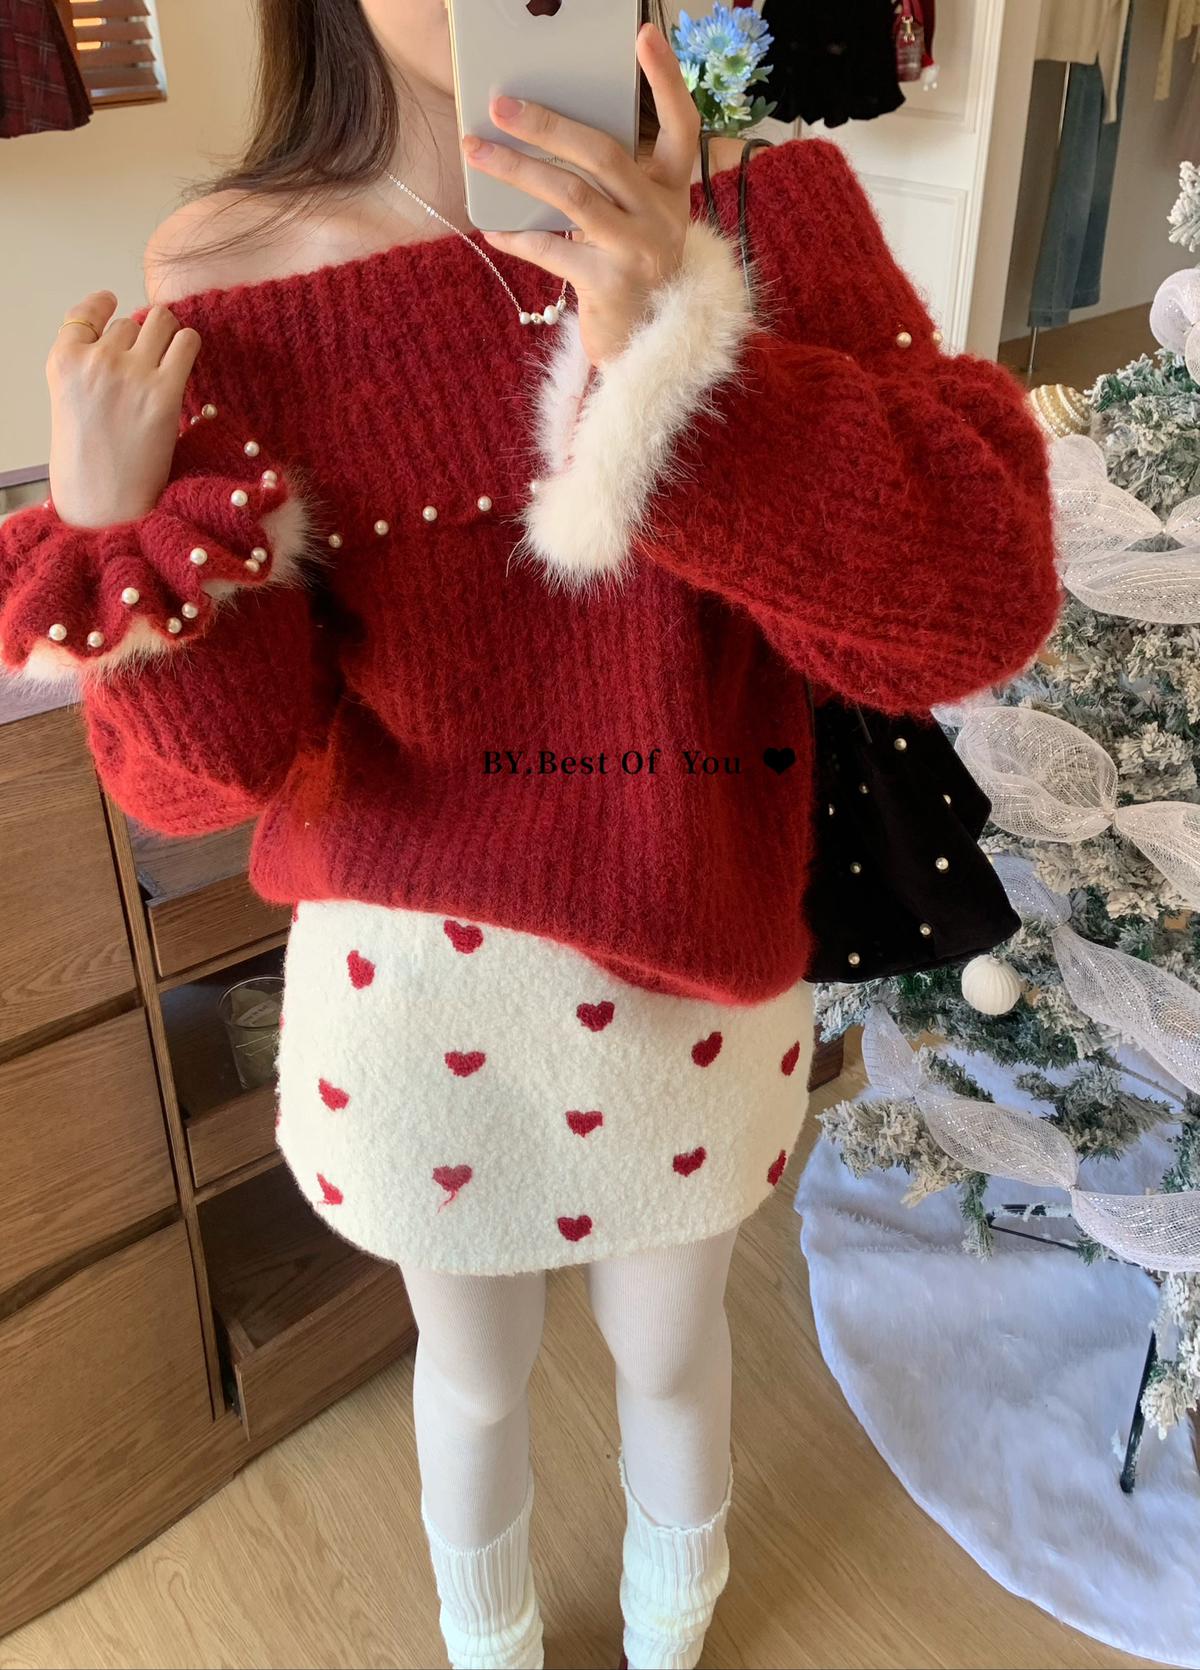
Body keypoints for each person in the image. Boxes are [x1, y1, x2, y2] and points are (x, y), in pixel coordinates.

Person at [0, 4, 1059, 1665]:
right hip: (412, 992)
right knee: (472, 1368)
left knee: (672, 1350)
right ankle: (483, 1635)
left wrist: (679, 359)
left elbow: (974, 605)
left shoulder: (763, 209)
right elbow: (209, 774)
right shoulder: (227, 273)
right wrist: (115, 529)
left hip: (697, 946)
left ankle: (672, 1620)